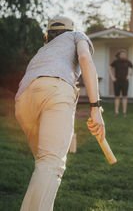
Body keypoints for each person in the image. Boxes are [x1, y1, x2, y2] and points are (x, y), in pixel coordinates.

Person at [15, 16, 105, 211]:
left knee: (44, 165)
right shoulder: (76, 36)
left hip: (24, 97)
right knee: (50, 164)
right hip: (55, 90)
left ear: (48, 34)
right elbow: (84, 59)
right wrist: (95, 107)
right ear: (70, 29)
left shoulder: (44, 49)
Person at [109, 49, 133, 117]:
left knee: (124, 97)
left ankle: (124, 112)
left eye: (125, 54)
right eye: (122, 54)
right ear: (119, 55)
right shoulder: (116, 62)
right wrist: (112, 77)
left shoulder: (127, 62)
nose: (123, 55)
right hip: (117, 81)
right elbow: (110, 68)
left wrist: (129, 75)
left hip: (125, 82)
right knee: (117, 97)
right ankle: (116, 111)